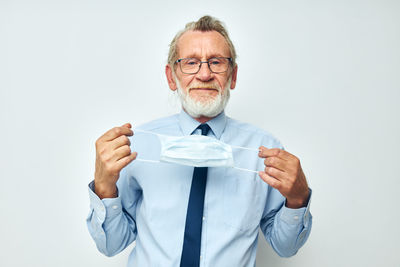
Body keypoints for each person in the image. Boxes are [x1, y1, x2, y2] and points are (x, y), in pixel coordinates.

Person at [87, 15, 312, 267]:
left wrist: (298, 198)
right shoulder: (135, 146)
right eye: (191, 62)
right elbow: (111, 245)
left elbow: (286, 247)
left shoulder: (264, 150)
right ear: (172, 77)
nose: (204, 74)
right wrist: (104, 188)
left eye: (216, 62)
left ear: (233, 76)